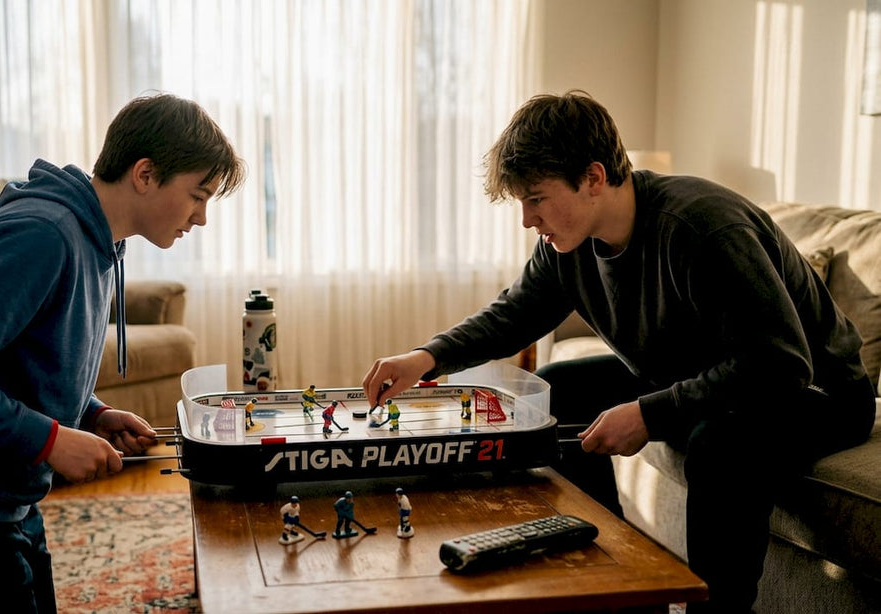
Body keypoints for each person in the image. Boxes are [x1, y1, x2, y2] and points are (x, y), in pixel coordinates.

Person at [361, 91, 874, 613]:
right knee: (561, 387)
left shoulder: (702, 228)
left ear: (593, 177)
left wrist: (651, 413)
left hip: (819, 393)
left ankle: (718, 609)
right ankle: (610, 582)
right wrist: (425, 358)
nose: (526, 220)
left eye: (535, 198)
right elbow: (514, 314)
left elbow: (780, 364)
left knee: (719, 441)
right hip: (705, 374)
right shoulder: (567, 245)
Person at [0, 93, 246, 613]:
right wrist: (50, 440)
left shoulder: (102, 240)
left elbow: (27, 356)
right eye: (197, 195)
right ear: (146, 174)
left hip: (4, 494)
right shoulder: (41, 236)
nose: (200, 218)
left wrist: (92, 413)